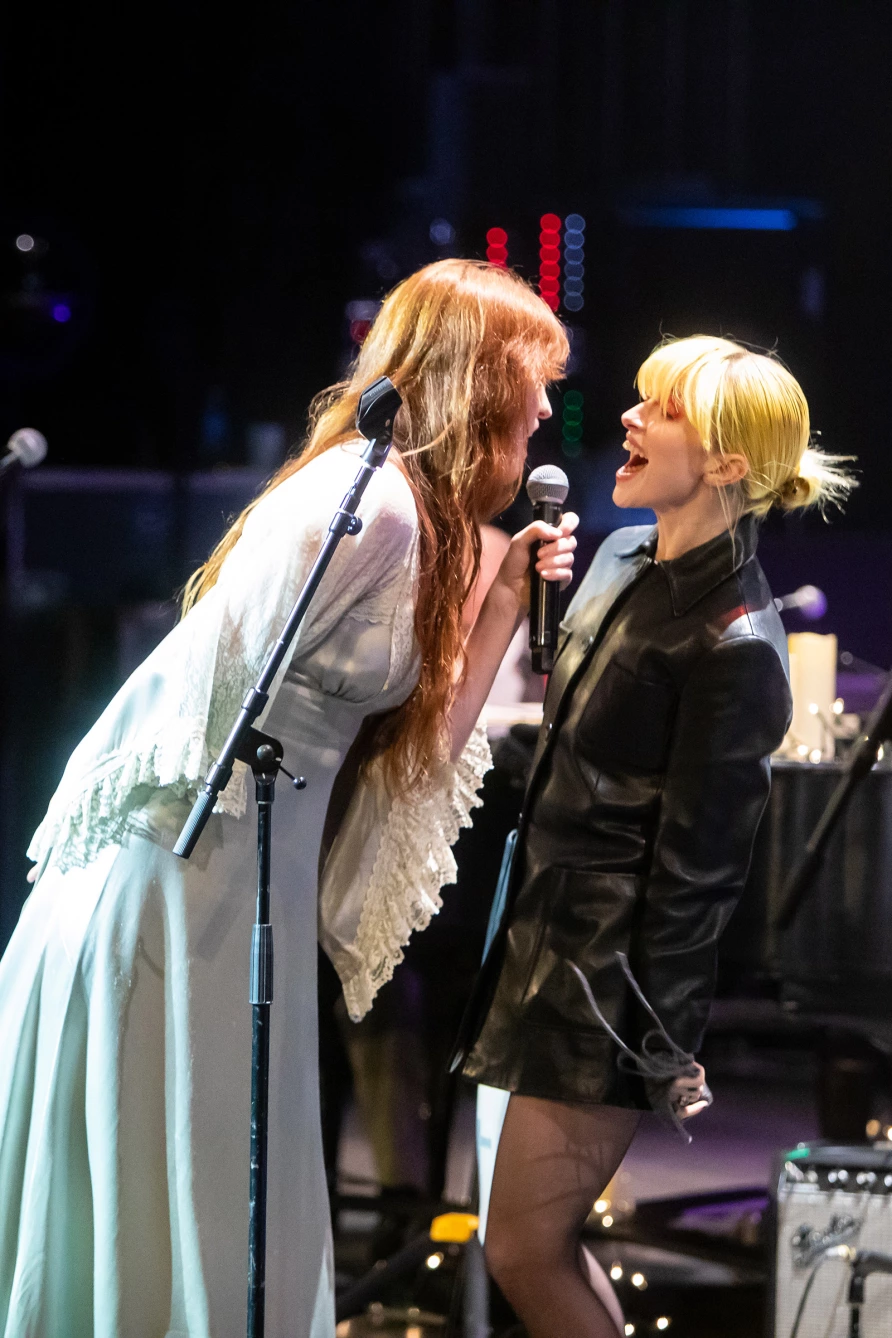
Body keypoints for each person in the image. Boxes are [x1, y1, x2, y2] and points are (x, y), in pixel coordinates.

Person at [0, 258, 578, 1338]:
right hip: (189, 879)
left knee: (216, 1172)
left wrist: (503, 600)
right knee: (189, 1162)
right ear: (475, 378)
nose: (546, 406)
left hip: (231, 884)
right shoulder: (365, 510)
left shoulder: (415, 516)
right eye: (533, 377)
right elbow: (200, 695)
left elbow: (412, 759)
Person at [456, 335, 855, 1338]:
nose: (628, 419)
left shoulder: (735, 645)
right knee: (524, 1249)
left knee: (522, 1249)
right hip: (539, 941)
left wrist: (658, 1040)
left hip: (603, 978)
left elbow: (698, 874)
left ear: (726, 462)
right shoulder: (621, 555)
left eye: (661, 410)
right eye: (637, 400)